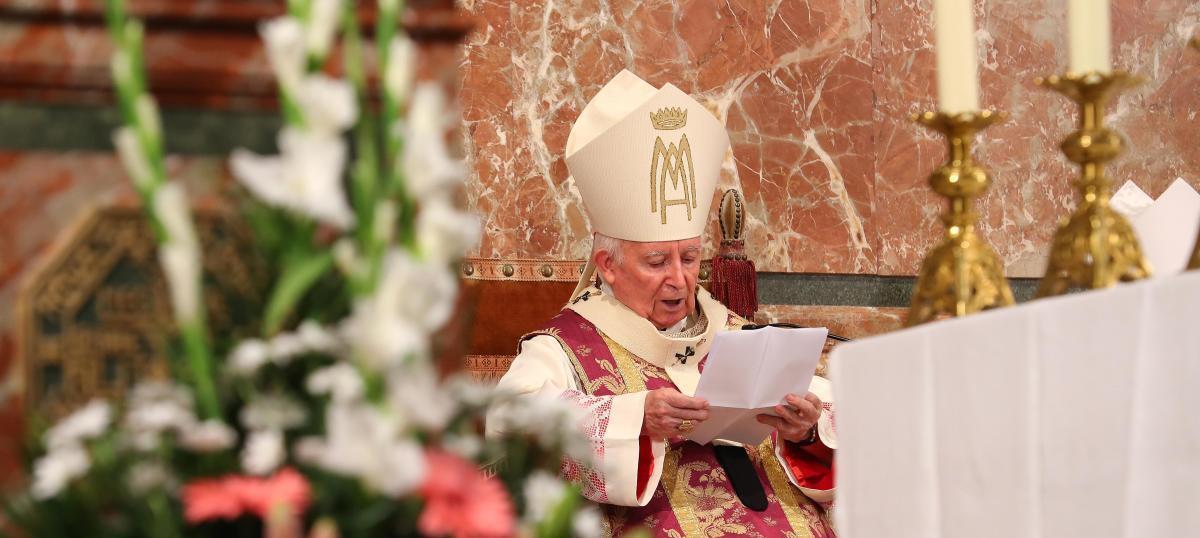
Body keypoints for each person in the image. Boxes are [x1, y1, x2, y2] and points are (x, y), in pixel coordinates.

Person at [487, 70, 836, 537]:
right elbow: (514, 422)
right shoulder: (565, 347)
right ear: (608, 265)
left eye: (690, 257)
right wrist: (635, 420)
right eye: (656, 261)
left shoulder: (736, 333)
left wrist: (807, 432)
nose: (680, 279)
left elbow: (844, 431)